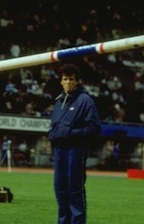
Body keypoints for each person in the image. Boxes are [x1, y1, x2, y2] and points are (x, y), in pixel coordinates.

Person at [48, 63, 101, 224]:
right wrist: (52, 134)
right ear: (61, 81)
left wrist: (72, 133)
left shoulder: (85, 100)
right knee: (60, 189)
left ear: (77, 81)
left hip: (75, 149)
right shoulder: (58, 102)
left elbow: (94, 127)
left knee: (74, 190)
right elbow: (54, 126)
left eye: (71, 79)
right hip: (59, 151)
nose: (68, 82)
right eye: (65, 79)